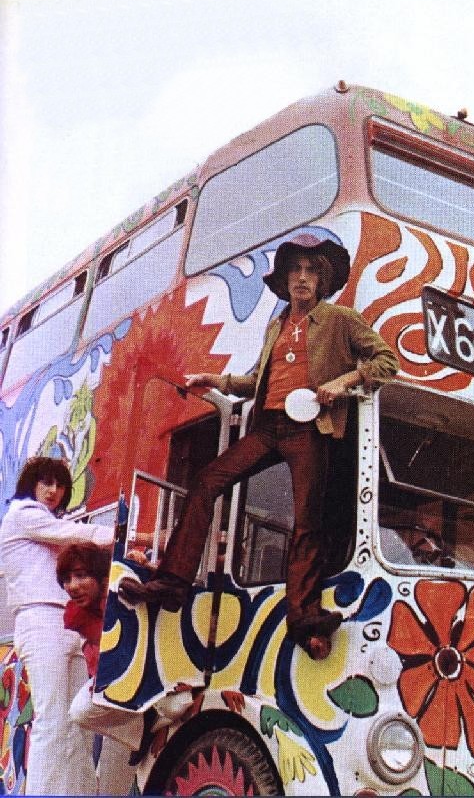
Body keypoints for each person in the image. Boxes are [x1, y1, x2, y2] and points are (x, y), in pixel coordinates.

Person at [119, 233, 399, 658]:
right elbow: (256, 381)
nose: (302, 278)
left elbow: (387, 360)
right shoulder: (276, 325)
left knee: (308, 521)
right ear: (284, 279)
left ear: (322, 281)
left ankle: (305, 619)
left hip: (309, 428)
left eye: (311, 271)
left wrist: (344, 381)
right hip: (269, 427)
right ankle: (172, 583)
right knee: (207, 481)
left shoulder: (340, 319)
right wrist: (217, 380)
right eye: (295, 270)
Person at [0, 457, 115, 795]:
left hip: (67, 623)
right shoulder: (23, 514)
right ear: (31, 485)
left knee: (78, 723)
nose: (53, 491)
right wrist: (122, 535)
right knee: (52, 720)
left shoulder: (48, 524)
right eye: (46, 482)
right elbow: (75, 533)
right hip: (39, 619)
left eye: (60, 485)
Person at [57, 542, 142, 796]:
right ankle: (143, 736)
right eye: (67, 579)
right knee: (80, 711)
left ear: (101, 577)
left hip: (139, 689)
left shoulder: (122, 593)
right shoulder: (76, 614)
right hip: (117, 699)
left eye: (81, 575)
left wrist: (137, 567)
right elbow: (112, 644)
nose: (72, 586)